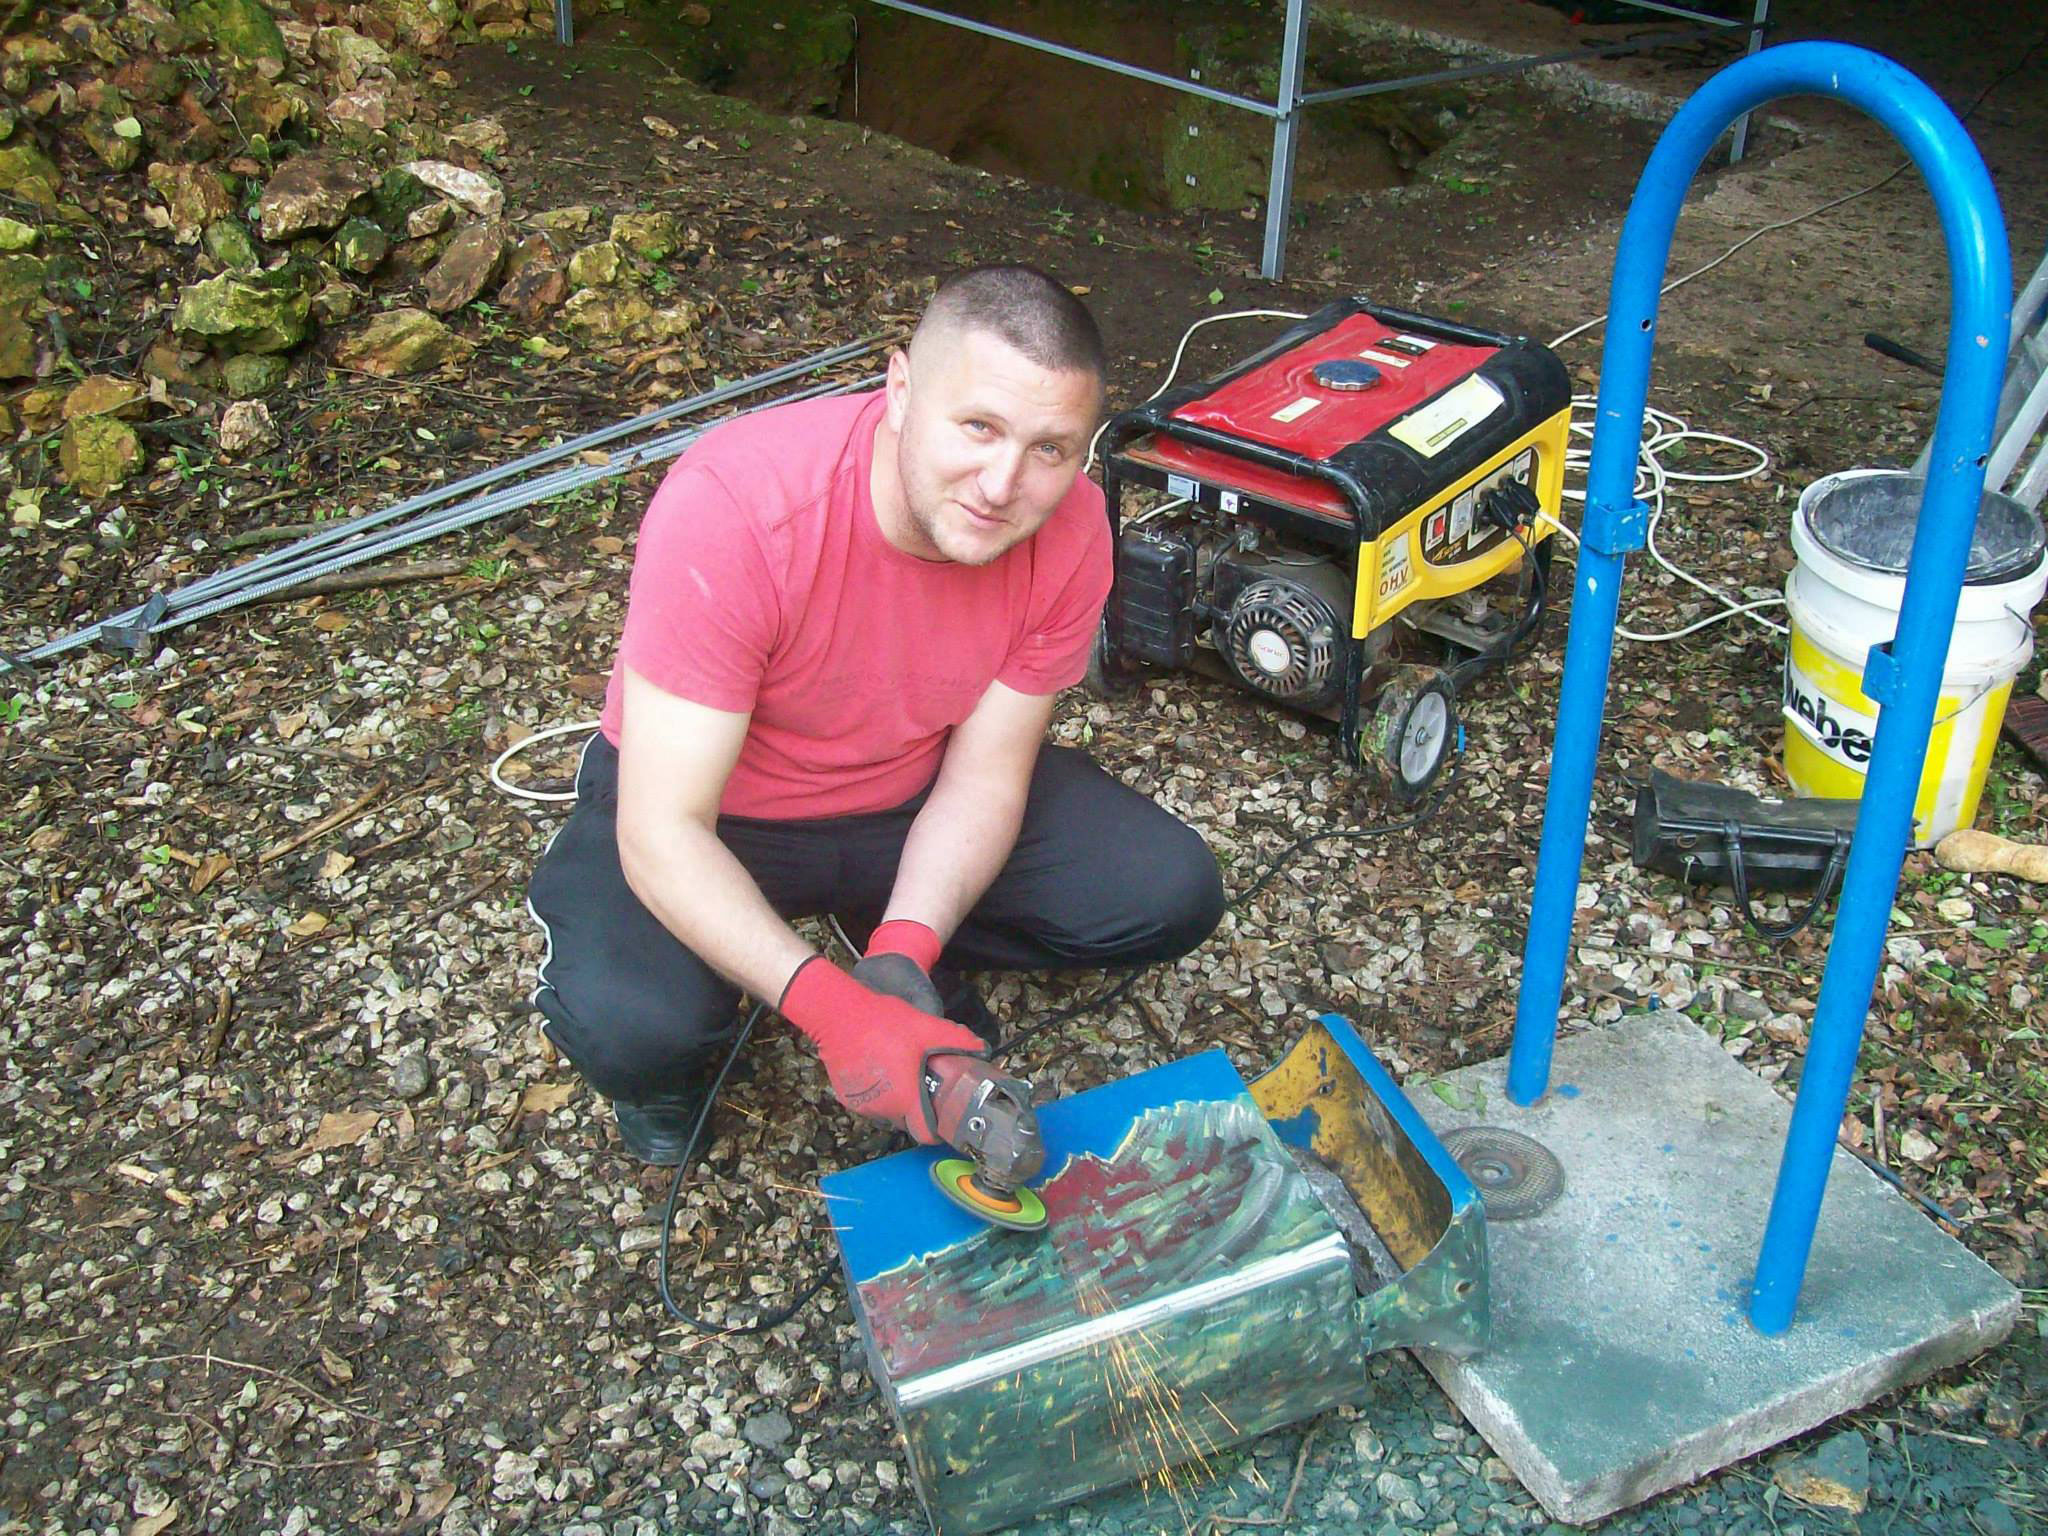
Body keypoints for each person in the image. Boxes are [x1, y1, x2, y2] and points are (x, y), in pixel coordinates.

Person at [526, 265, 1225, 1164]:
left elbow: (986, 777)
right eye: (978, 428)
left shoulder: (1072, 528)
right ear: (900, 390)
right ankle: (677, 1070)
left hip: (907, 792)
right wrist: (833, 1012)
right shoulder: (739, 508)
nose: (1002, 484)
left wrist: (903, 948)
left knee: (1167, 892)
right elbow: (664, 828)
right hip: (721, 814)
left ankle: (886, 933)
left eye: (1050, 449)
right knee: (636, 1025)